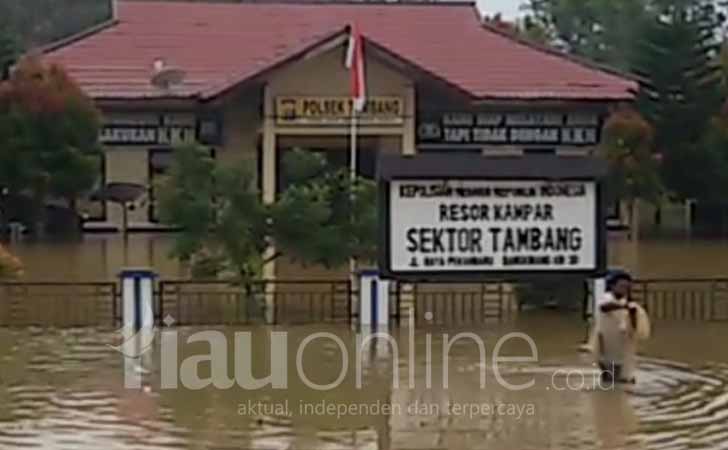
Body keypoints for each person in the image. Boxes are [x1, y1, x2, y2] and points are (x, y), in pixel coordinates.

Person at [594, 270, 651, 384]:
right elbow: (604, 307)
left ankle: (615, 395)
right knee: (608, 372)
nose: (624, 289)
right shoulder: (606, 297)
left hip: (622, 342)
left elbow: (634, 326)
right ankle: (611, 395)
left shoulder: (628, 303)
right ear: (612, 286)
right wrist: (624, 306)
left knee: (619, 374)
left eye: (626, 287)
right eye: (621, 286)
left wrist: (632, 313)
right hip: (605, 341)